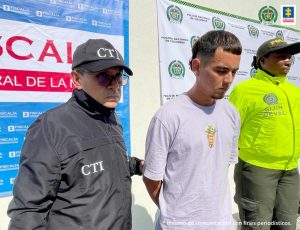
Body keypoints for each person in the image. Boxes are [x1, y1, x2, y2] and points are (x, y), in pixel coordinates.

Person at [7, 39, 143, 230]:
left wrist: (136, 165)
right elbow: (28, 212)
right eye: (104, 77)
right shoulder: (51, 127)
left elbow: (99, 163)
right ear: (77, 79)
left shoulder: (112, 119)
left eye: (119, 77)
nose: (115, 85)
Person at [143, 30, 242, 229]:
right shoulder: (168, 116)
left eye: (234, 71)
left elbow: (219, 168)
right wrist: (176, 214)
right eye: (221, 71)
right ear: (197, 67)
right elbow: (152, 179)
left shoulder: (231, 113)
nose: (229, 79)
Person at [229, 38, 300, 229]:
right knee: (257, 226)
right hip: (257, 170)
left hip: (290, 170)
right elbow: (229, 130)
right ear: (262, 61)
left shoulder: (294, 92)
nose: (288, 61)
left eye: (289, 57)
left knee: (287, 226)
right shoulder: (245, 91)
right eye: (280, 56)